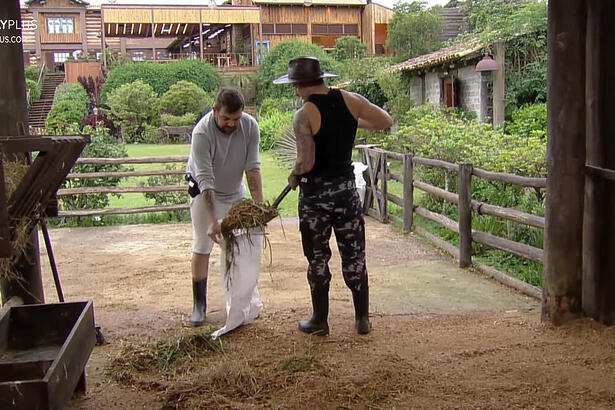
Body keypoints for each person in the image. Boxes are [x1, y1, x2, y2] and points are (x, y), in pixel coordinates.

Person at [273, 56, 393, 335]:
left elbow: (307, 163)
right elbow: (384, 120)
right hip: (346, 193)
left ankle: (320, 321)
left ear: (301, 85)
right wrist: (349, 123)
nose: (295, 91)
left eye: (295, 86)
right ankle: (362, 319)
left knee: (317, 257)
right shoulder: (351, 100)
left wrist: (294, 175)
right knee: (354, 255)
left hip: (315, 198)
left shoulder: (304, 114)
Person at [186, 87, 263, 326]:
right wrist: (212, 221)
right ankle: (199, 306)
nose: (231, 124)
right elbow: (205, 180)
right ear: (215, 110)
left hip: (234, 191)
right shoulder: (202, 133)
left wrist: (259, 209)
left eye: (236, 119)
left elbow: (252, 169)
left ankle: (241, 304)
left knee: (241, 245)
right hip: (203, 191)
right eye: (226, 118)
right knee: (203, 245)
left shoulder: (250, 127)